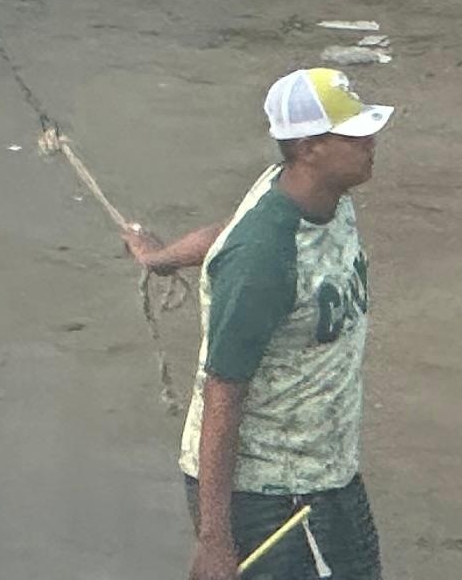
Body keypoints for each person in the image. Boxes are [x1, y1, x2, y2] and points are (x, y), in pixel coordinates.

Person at [125, 65, 393, 580]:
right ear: (309, 147)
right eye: (354, 135)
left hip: (329, 475)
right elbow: (221, 395)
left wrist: (161, 258)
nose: (370, 141)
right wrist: (215, 539)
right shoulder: (264, 256)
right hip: (269, 496)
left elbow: (227, 231)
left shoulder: (319, 197)